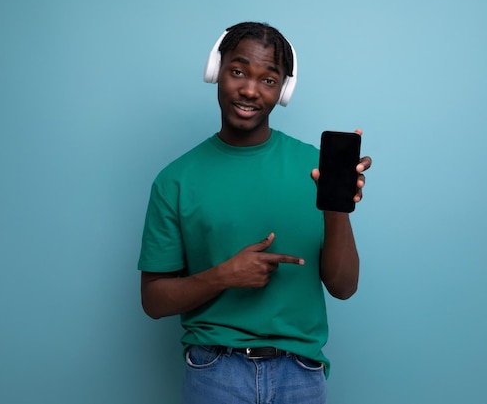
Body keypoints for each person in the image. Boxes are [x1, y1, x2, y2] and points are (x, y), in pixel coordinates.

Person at [138, 21, 372, 404]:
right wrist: (223, 276)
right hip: (215, 372)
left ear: (283, 90)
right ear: (216, 71)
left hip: (301, 374)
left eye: (268, 79)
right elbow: (153, 300)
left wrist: (337, 209)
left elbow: (343, 287)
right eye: (238, 71)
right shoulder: (175, 180)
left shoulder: (315, 168)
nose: (249, 89)